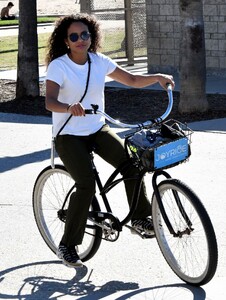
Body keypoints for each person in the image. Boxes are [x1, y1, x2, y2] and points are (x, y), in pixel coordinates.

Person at [45, 14, 175, 268]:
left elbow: (133, 80)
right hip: (68, 135)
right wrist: (68, 107)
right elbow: (49, 101)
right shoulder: (59, 66)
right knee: (86, 185)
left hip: (96, 128)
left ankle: (139, 218)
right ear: (66, 41)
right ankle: (68, 245)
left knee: (132, 164)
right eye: (74, 36)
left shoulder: (99, 61)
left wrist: (157, 77)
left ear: (91, 36)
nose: (81, 40)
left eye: (85, 34)